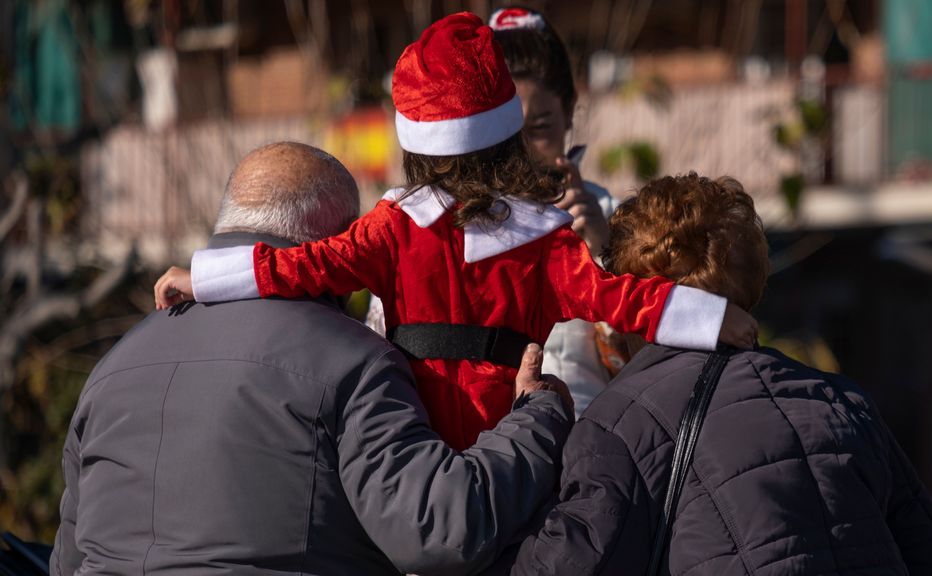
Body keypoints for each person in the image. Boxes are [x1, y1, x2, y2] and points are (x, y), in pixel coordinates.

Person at [153, 13, 758, 451]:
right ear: (506, 137)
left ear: (416, 143)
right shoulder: (547, 243)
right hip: (519, 450)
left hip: (411, 447)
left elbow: (297, 266)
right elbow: (620, 298)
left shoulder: (390, 229)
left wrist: (201, 275)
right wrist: (711, 317)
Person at [51, 142, 575, 576]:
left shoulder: (112, 366)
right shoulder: (354, 362)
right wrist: (537, 415)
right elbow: (439, 529)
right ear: (334, 249)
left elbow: (69, 558)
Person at [510, 173, 932, 575]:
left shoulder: (618, 424)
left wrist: (531, 426)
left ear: (632, 297)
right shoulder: (841, 400)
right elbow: (931, 555)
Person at [490, 6, 616, 417]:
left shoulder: (615, 215)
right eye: (507, 133)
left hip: (595, 441)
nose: (523, 151)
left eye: (540, 127)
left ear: (568, 113)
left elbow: (644, 365)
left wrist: (604, 253)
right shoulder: (456, 223)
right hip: (493, 449)